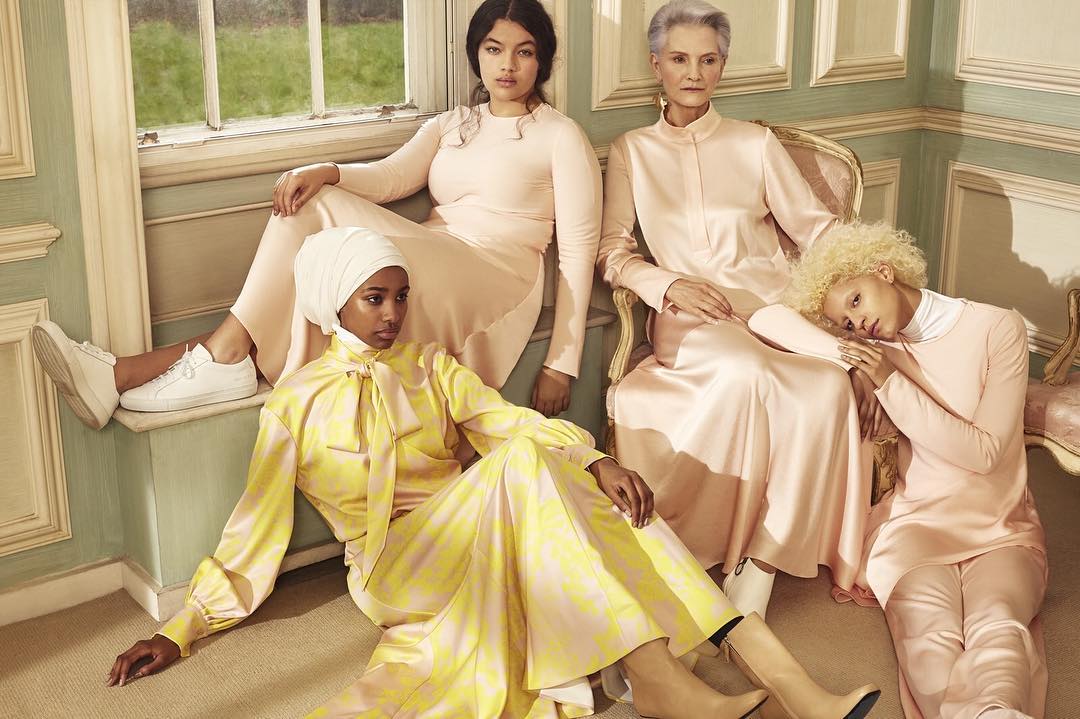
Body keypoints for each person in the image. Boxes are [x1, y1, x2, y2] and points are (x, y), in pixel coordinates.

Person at [104, 227, 880, 719]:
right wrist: (181, 627)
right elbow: (253, 533)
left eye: (400, 297)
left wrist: (597, 458)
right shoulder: (293, 405)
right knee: (531, 464)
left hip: (478, 531)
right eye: (374, 298)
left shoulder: (429, 365)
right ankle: (675, 679)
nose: (392, 313)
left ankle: (778, 680)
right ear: (335, 303)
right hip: (394, 566)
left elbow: (510, 422)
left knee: (569, 479)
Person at [32, 0, 600, 428]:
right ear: (476, 53)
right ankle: (129, 373)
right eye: (494, 49)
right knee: (313, 215)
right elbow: (391, 177)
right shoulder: (454, 124)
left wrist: (562, 363)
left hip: (495, 277)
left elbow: (577, 254)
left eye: (524, 51)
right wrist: (326, 169)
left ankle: (188, 363)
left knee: (322, 218)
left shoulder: (560, 136)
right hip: (434, 254)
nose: (507, 65)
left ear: (543, 60)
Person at [597, 0, 875, 620]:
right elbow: (612, 251)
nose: (694, 73)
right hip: (691, 315)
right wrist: (667, 283)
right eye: (679, 59)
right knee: (746, 372)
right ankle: (704, 545)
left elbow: (817, 228)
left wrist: (870, 271)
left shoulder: (756, 143)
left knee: (828, 387)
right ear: (656, 64)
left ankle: (763, 562)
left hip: (774, 306)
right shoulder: (632, 150)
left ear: (722, 66)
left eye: (708, 60)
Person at [783, 221, 1048, 719]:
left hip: (1000, 525)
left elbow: (984, 453)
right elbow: (768, 318)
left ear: (884, 271)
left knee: (998, 625)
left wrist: (888, 381)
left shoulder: (998, 328)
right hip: (914, 526)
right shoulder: (877, 351)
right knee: (928, 636)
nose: (857, 325)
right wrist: (849, 361)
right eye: (846, 323)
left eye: (856, 300)